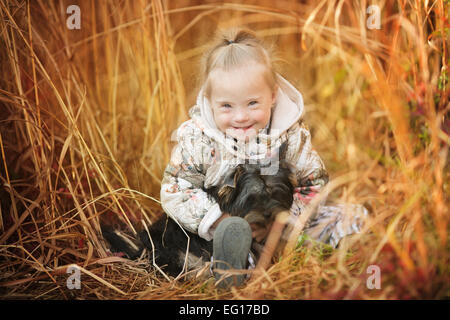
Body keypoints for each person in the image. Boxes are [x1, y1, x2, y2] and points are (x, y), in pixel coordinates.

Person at [160, 28, 368, 288]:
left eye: (252, 103)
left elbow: (314, 183)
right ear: (209, 101)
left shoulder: (290, 134)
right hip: (223, 227)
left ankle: (341, 248)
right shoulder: (198, 138)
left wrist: (284, 222)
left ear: (272, 96)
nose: (240, 117)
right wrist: (218, 220)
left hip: (284, 223)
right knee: (209, 244)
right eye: (227, 106)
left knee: (350, 216)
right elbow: (176, 188)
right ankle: (228, 268)